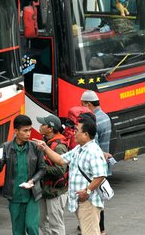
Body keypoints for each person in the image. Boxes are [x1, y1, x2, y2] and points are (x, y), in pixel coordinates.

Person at [35, 117, 108, 235]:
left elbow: (100, 176)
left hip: (89, 201)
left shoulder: (93, 151)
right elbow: (60, 159)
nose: (74, 133)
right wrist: (45, 147)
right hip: (81, 200)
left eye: (76, 130)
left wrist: (87, 191)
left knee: (90, 232)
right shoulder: (79, 148)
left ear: (86, 134)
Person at [0, 115, 46, 235]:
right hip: (14, 195)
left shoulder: (36, 148)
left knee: (32, 226)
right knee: (17, 231)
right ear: (16, 131)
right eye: (25, 130)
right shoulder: (5, 147)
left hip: (32, 194)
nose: (28, 134)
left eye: (30, 130)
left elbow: (42, 169)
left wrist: (33, 180)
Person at [81, 90, 112, 235]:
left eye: (83, 105)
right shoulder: (105, 117)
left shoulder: (93, 121)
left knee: (95, 199)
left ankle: (99, 228)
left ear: (88, 104)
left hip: (96, 166)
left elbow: (94, 145)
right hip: (105, 164)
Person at [36, 114, 68, 235]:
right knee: (42, 222)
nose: (40, 126)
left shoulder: (59, 146)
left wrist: (42, 168)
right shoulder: (46, 141)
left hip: (56, 192)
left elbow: (60, 171)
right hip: (46, 190)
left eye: (43, 124)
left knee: (56, 225)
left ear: (50, 128)